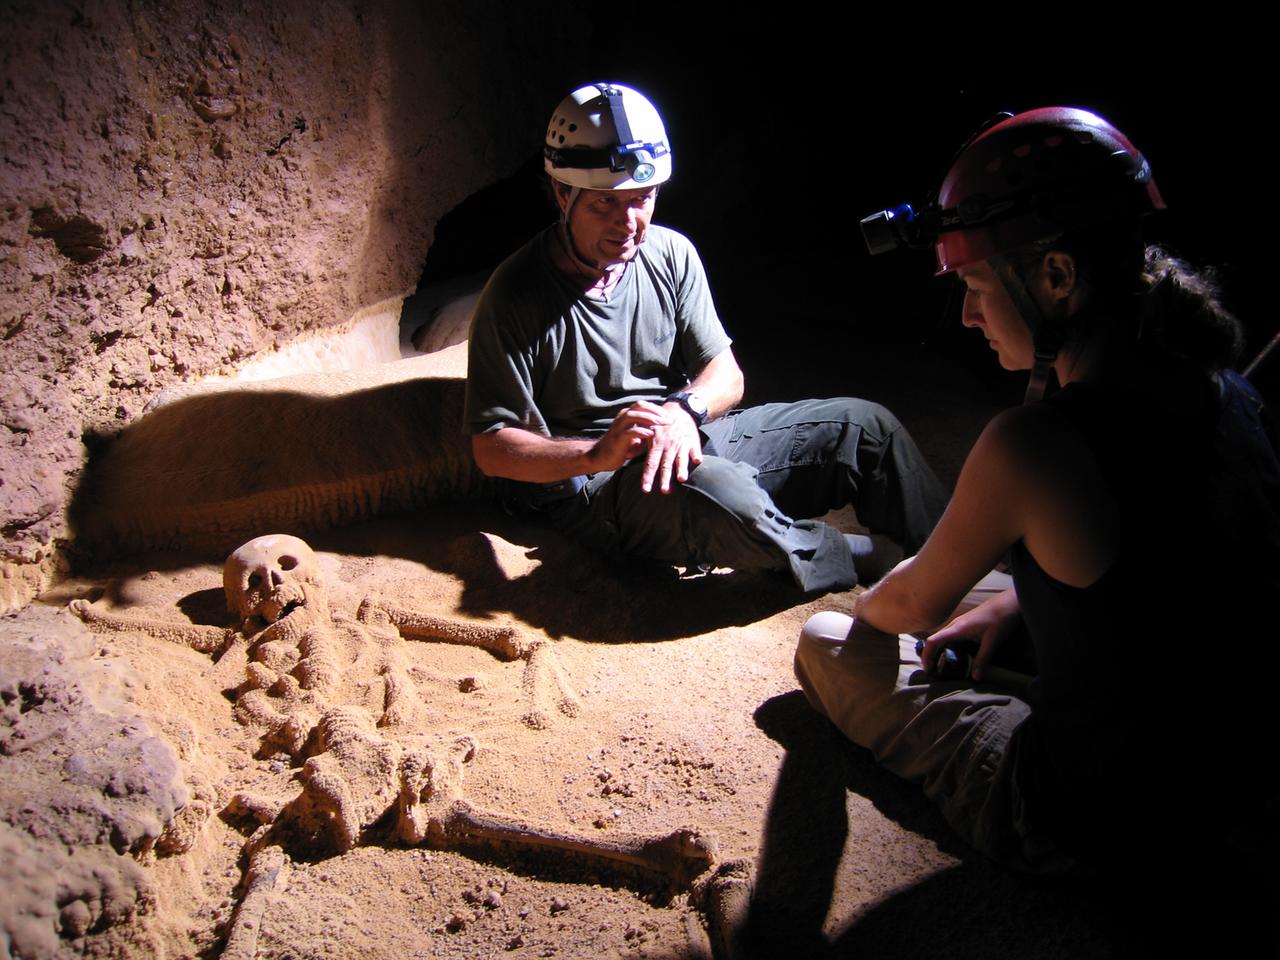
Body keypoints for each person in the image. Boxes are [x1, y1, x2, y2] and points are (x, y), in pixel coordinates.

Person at [794, 108, 1280, 884]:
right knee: (1001, 589)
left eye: (978, 284)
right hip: (1232, 782)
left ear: (1056, 275)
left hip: (1096, 823)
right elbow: (1170, 567)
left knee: (828, 642)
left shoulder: (1037, 443)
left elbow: (907, 608)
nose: (967, 314)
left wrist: (880, 611)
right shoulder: (1225, 388)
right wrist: (1021, 603)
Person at [464, 82, 947, 592]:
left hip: (682, 435)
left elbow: (726, 375)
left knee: (865, 426)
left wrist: (684, 412)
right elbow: (492, 446)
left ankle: (964, 564)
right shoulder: (515, 295)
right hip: (597, 486)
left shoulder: (670, 253)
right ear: (563, 193)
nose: (627, 223)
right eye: (605, 204)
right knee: (722, 491)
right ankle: (864, 556)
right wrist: (595, 454)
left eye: (642, 198)